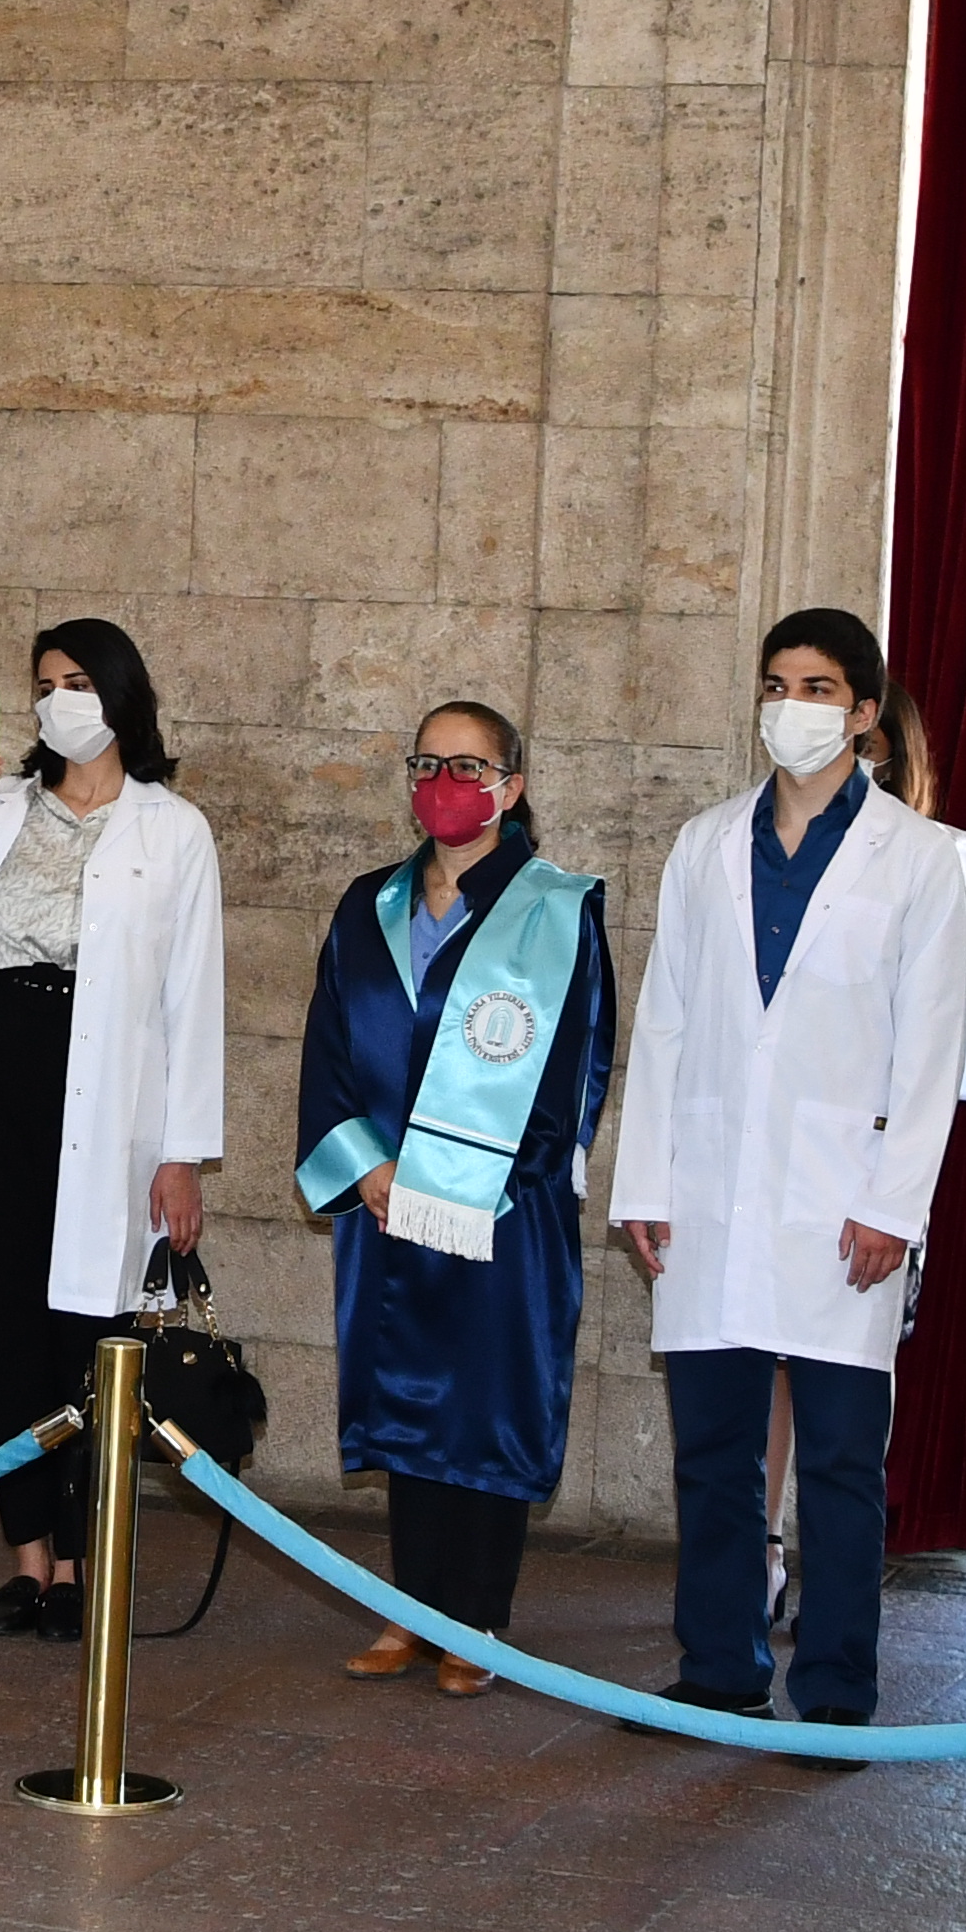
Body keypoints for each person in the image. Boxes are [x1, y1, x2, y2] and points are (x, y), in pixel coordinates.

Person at [606, 609, 966, 1745]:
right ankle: (717, 1666)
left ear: (865, 713)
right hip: (713, 1185)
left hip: (844, 1196)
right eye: (778, 683)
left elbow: (930, 1051)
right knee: (714, 1453)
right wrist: (645, 1179)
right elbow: (666, 1016)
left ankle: (833, 1686)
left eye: (819, 687)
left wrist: (892, 1205)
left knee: (836, 1461)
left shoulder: (923, 856)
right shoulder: (705, 842)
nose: (794, 706)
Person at [295, 702, 615, 1696]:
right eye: (428, 761)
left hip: (501, 1207)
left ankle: (475, 1619)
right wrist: (369, 1170)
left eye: (469, 764)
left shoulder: (556, 908)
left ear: (511, 785)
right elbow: (328, 1051)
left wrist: (488, 1183)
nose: (445, 779)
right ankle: (410, 1608)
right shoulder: (368, 904)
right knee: (407, 1401)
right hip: (388, 1201)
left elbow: (578, 1062)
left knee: (484, 1401)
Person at [0, 621, 226, 1639]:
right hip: (0, 1065)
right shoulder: (1, 810)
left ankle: (89, 1565)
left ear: (121, 694)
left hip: (109, 1091)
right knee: (3, 1319)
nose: (59, 701)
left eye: (80, 681)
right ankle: (29, 1563)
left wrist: (182, 1151)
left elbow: (192, 999)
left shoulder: (172, 827)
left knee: (90, 1332)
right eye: (45, 684)